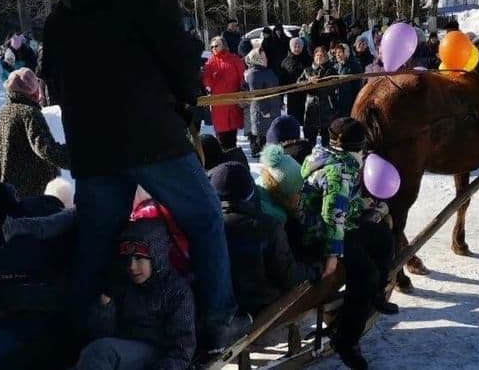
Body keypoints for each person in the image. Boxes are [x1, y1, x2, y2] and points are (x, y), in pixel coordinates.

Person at [38, 0, 249, 351]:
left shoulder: (61, 11)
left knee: (97, 237)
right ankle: (220, 320)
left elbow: (52, 82)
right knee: (205, 214)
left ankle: (83, 327)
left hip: (93, 147)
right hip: (152, 139)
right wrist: (185, 101)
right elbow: (184, 68)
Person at [298, 118, 397, 369]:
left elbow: (341, 202)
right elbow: (332, 213)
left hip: (340, 225)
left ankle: (376, 294)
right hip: (321, 235)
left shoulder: (326, 157)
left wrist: (363, 206)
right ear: (358, 146)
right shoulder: (341, 170)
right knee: (366, 273)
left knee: (383, 237)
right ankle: (347, 339)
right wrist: (333, 255)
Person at [75, 220, 196, 370]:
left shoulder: (177, 291)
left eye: (139, 258)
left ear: (157, 256)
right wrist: (105, 309)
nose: (131, 266)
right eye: (128, 259)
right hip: (124, 351)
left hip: (158, 355)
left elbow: (182, 349)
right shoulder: (123, 284)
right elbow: (100, 334)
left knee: (101, 352)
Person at [0, 182, 77, 369]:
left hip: (36, 328)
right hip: (60, 323)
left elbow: (53, 297)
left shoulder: (6, 249)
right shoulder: (49, 214)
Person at [209, 161, 306, 314]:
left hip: (218, 306)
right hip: (261, 305)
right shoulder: (267, 226)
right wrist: (313, 270)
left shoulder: (204, 226)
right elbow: (288, 276)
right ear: (250, 191)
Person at [0, 68, 70, 197]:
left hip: (9, 188)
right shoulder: (29, 113)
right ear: (31, 91)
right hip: (31, 191)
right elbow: (46, 149)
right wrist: (75, 156)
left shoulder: (3, 112)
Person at [204, 36, 247, 150]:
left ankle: (233, 154)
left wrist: (242, 90)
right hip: (219, 104)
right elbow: (206, 78)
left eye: (216, 46)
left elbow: (242, 76)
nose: (214, 48)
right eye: (212, 46)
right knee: (221, 134)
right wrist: (209, 82)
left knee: (232, 134)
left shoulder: (234, 59)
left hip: (233, 101)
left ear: (223, 45)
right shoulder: (210, 61)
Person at [244, 48, 282, 157]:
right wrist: (264, 111)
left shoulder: (267, 70)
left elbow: (275, 88)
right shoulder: (254, 73)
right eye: (263, 57)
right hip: (263, 111)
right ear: (257, 58)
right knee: (262, 136)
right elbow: (256, 94)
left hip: (273, 107)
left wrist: (280, 102)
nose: (266, 59)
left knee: (271, 135)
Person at [299, 46, 340, 147]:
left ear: (326, 57)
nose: (319, 57)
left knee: (327, 136)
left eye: (322, 55)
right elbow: (299, 83)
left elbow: (335, 84)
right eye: (317, 55)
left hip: (326, 107)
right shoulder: (307, 70)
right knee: (309, 135)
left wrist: (319, 83)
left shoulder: (331, 70)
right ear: (314, 57)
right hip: (311, 107)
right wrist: (309, 82)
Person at [282, 37, 312, 125]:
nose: (297, 48)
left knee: (307, 119)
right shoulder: (286, 61)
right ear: (291, 48)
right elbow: (283, 79)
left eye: (299, 46)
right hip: (292, 95)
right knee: (293, 120)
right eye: (295, 46)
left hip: (306, 94)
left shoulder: (308, 60)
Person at [335, 43, 364, 117]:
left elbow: (358, 84)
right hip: (337, 101)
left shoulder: (354, 65)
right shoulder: (335, 66)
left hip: (349, 99)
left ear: (346, 52)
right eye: (336, 53)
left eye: (340, 52)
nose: (338, 55)